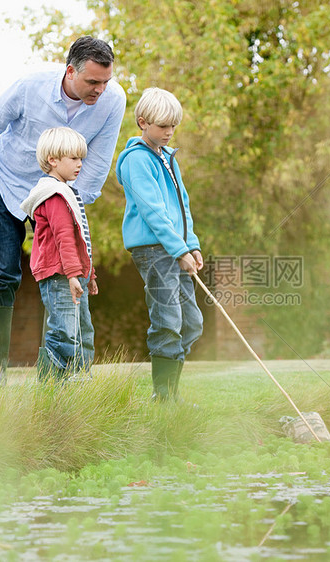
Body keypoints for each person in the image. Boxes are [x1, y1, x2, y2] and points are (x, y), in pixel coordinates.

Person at [0, 36, 126, 386]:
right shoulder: (29, 87)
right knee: (2, 273)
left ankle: (60, 370)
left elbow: (99, 158)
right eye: (92, 82)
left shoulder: (112, 100)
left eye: (105, 82)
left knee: (63, 271)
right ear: (70, 71)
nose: (100, 90)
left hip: (55, 190)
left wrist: (72, 203)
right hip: (2, 181)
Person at [116, 87, 203, 401]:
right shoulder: (135, 161)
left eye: (173, 127)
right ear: (143, 122)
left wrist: (190, 244)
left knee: (192, 322)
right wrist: (178, 251)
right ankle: (165, 398)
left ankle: (168, 393)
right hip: (154, 250)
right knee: (167, 320)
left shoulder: (168, 158)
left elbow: (182, 205)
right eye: (163, 126)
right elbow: (153, 211)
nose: (169, 132)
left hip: (176, 248)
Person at [20, 127, 96, 381]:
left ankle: (80, 381)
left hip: (74, 274)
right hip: (60, 275)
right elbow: (63, 237)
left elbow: (80, 238)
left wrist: (89, 273)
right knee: (64, 331)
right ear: (53, 160)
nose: (80, 164)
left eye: (81, 158)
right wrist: (75, 274)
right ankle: (52, 388)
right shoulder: (53, 195)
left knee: (83, 330)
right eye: (73, 158)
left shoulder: (68, 192)